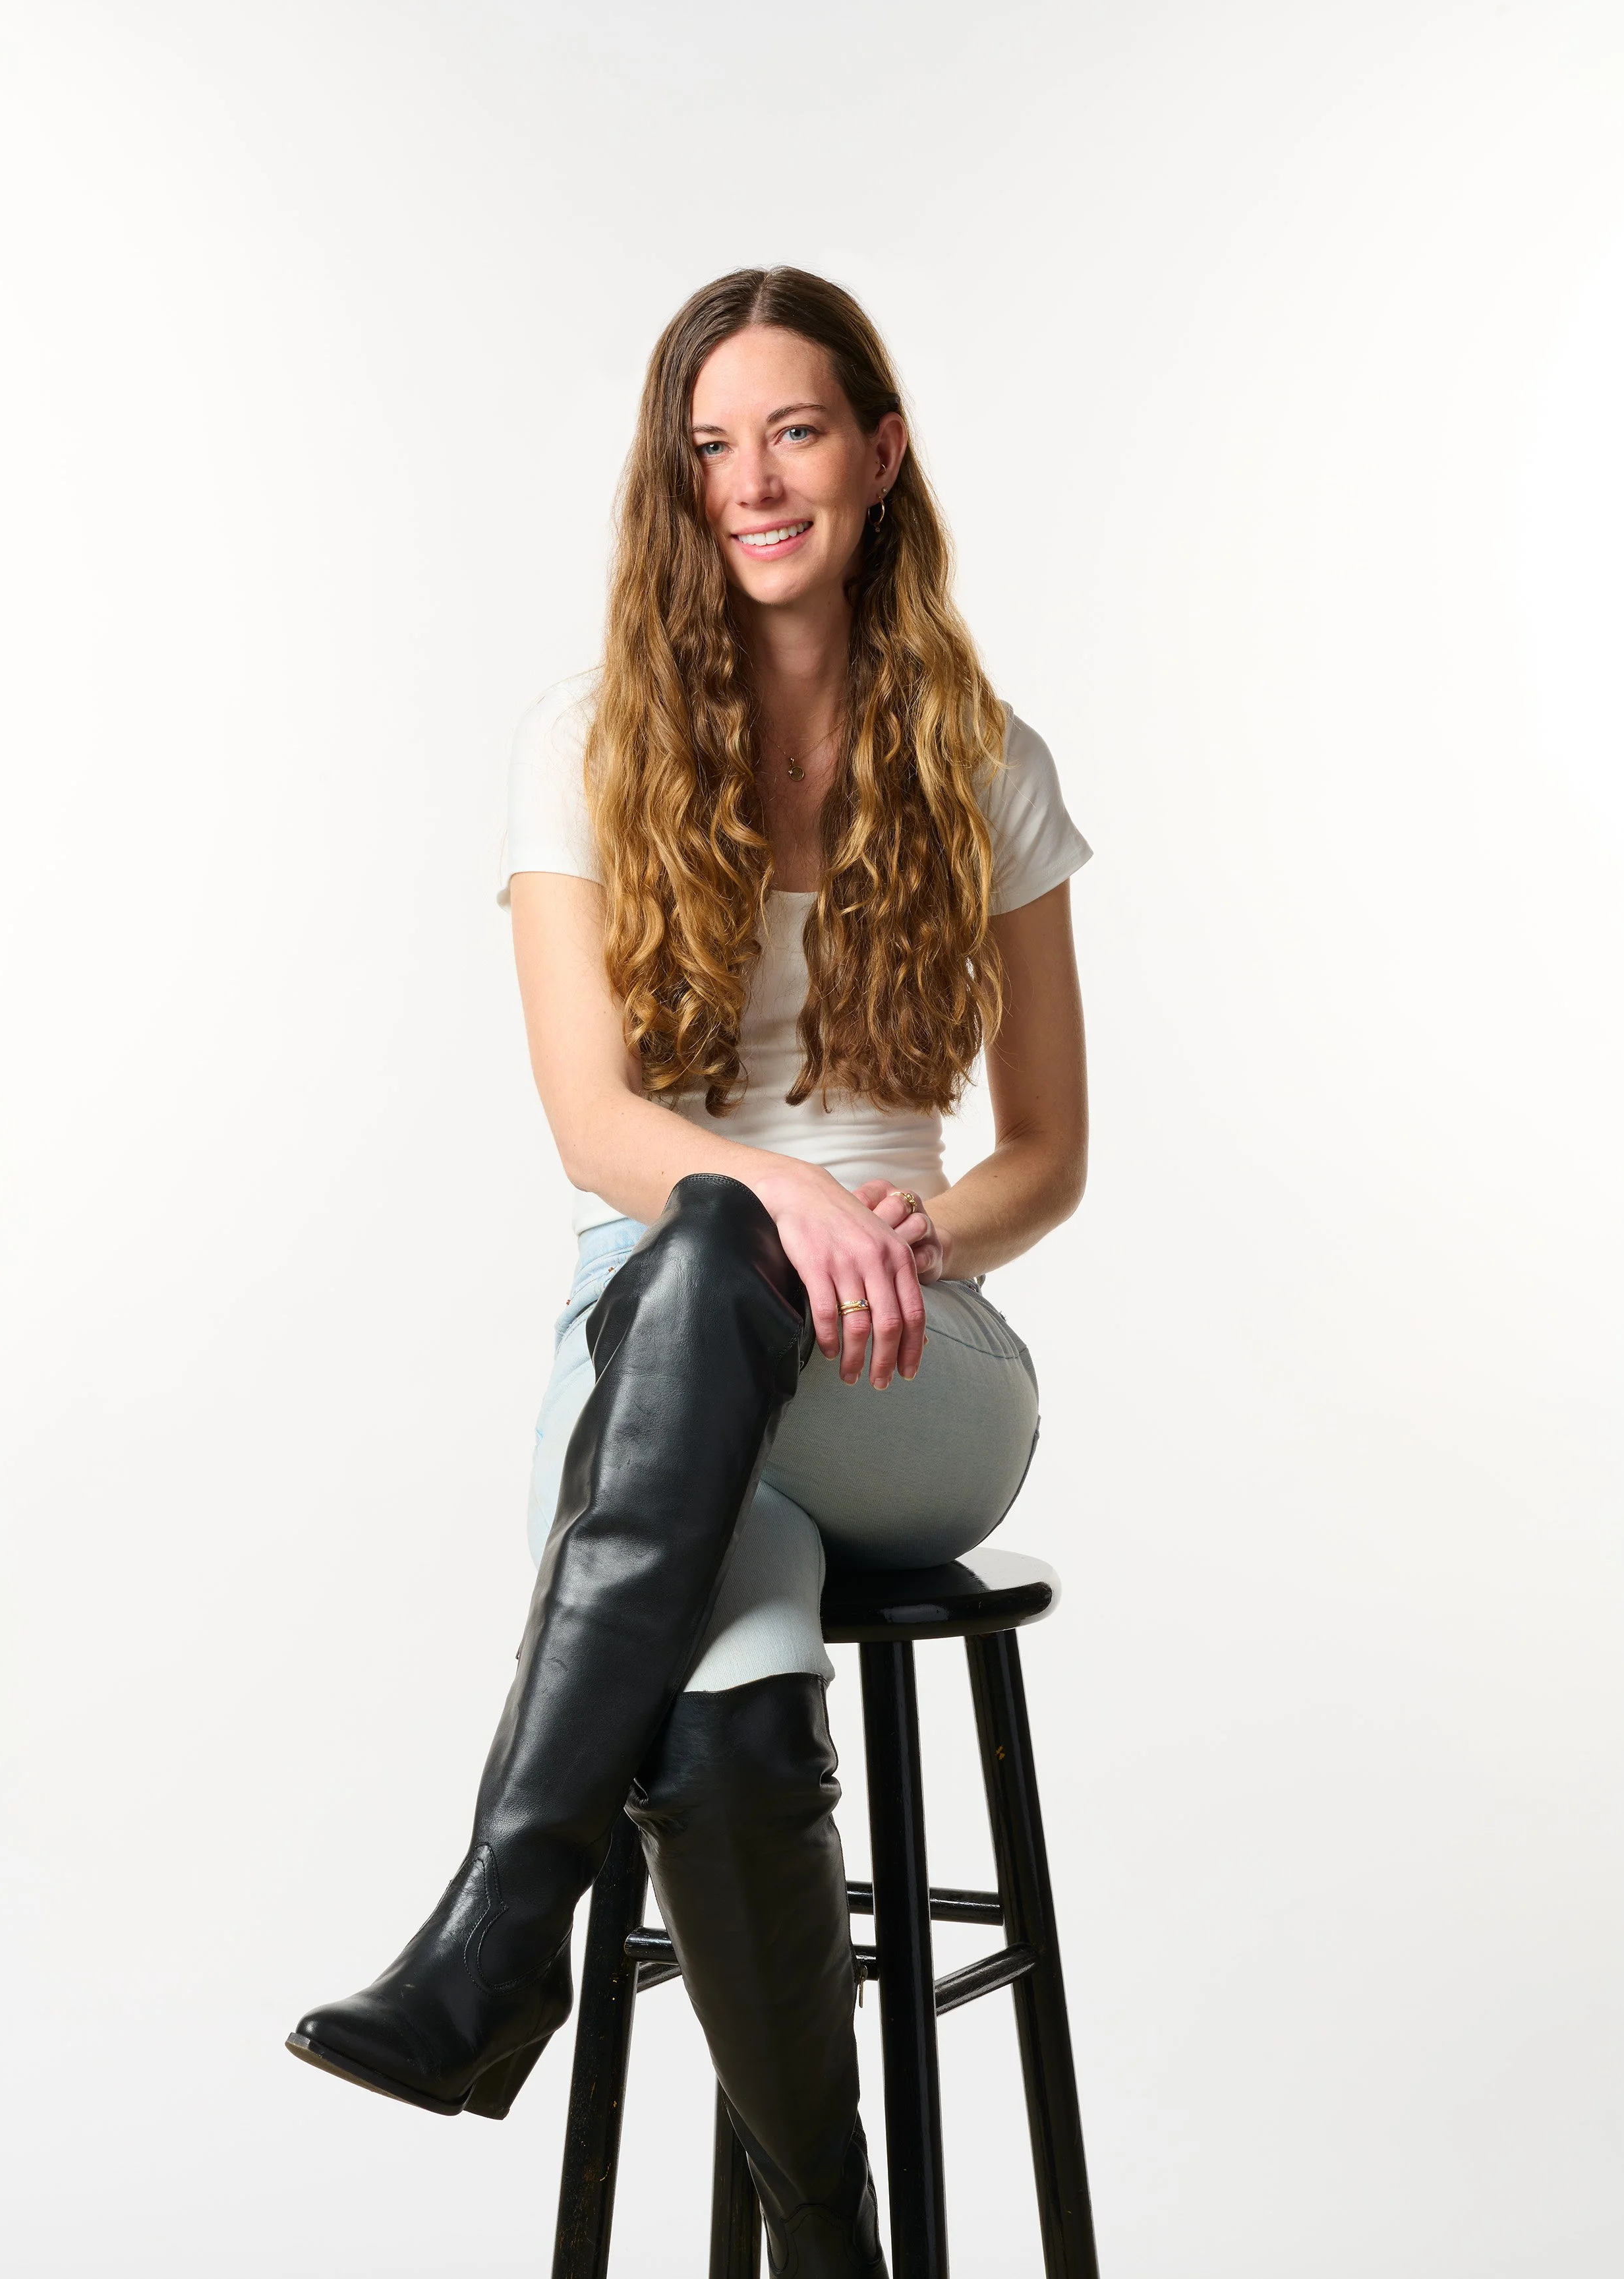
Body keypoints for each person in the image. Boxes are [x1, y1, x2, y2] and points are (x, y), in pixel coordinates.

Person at [287, 267, 1090, 2277]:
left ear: (880, 454)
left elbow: (1051, 1157)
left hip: (910, 1369)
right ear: (675, 484)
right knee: (723, 1715)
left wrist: (895, 1226)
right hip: (656, 1345)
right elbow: (596, 1128)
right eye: (710, 446)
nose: (753, 482)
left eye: (796, 431)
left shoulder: (982, 757)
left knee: (716, 1260)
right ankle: (833, 2240)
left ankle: (497, 1926)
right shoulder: (588, 747)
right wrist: (761, 1204)